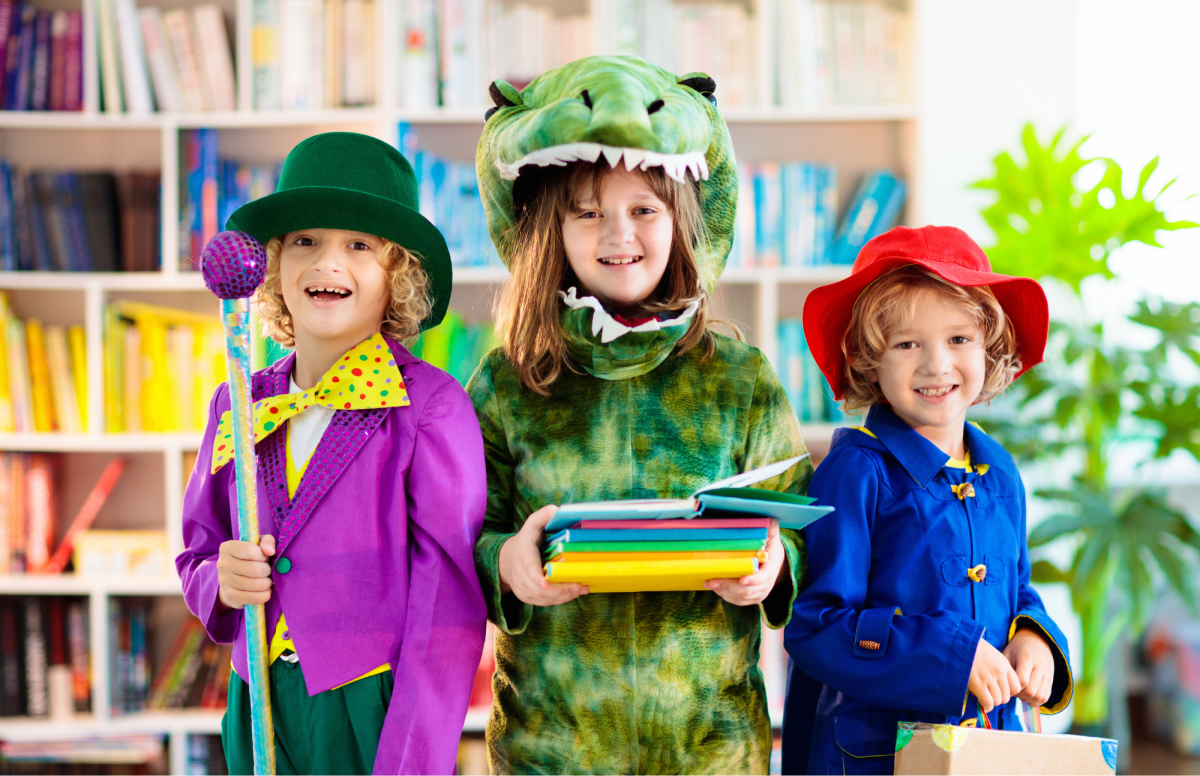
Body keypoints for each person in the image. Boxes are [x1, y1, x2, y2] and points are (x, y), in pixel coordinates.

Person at [469, 56, 811, 774]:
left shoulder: (740, 378)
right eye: (587, 211)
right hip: (551, 748)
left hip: (711, 747)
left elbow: (800, 522)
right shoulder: (505, 381)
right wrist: (507, 563)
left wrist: (774, 565)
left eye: (643, 210)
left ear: (681, 220)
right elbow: (460, 534)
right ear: (549, 230)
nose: (616, 234)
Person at [176, 132, 487, 775]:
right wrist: (220, 582)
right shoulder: (236, 402)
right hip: (257, 702)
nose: (328, 263)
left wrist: (409, 761)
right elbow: (198, 551)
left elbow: (448, 610)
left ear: (397, 275)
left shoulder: (430, 408)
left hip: (370, 705)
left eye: (359, 245)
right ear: (273, 265)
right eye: (305, 241)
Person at [782, 225, 1072, 775]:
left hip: (990, 748)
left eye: (959, 340)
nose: (936, 365)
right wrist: (949, 655)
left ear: (991, 349)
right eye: (907, 343)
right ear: (870, 360)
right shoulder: (855, 472)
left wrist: (1035, 637)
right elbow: (816, 625)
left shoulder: (1000, 474)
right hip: (873, 756)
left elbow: (1018, 589)